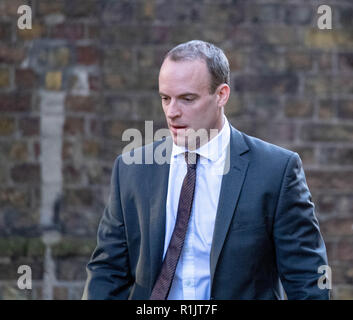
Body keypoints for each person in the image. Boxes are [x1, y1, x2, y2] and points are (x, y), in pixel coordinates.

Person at [82, 40, 330, 300]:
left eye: (187, 99)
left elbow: (307, 279)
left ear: (221, 95)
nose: (172, 112)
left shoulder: (276, 171)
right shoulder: (131, 169)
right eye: (166, 98)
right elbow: (108, 272)